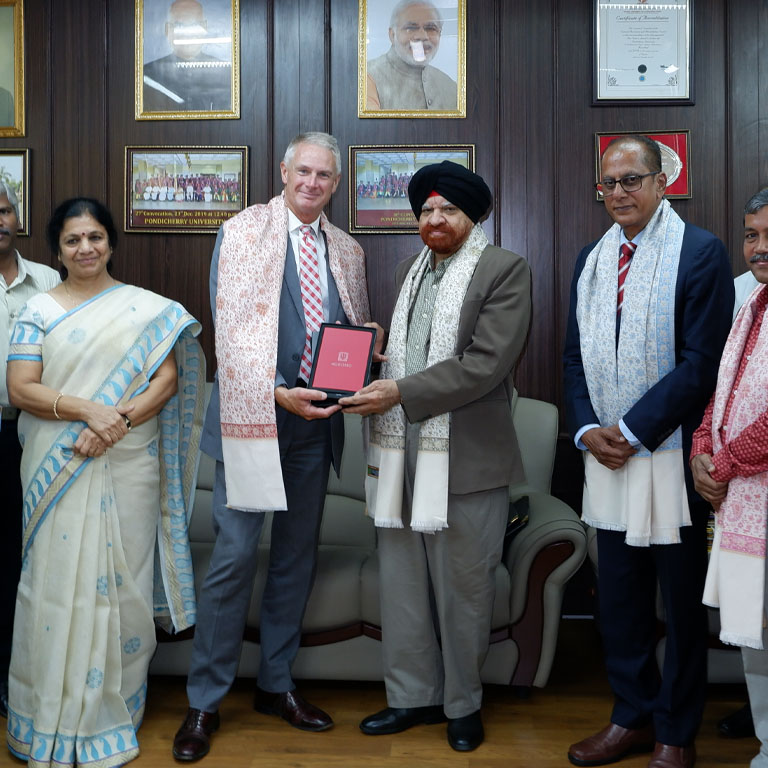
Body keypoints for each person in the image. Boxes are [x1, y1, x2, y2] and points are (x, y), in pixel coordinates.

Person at [172, 132, 371, 763]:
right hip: (253, 418)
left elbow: (348, 332)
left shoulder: (347, 249)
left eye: (324, 176)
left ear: (336, 184)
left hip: (316, 425)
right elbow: (227, 334)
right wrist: (276, 391)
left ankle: (276, 685)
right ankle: (204, 699)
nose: (312, 183)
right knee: (233, 557)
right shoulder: (242, 232)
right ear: (283, 171)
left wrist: (362, 352)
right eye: (303, 171)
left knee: (294, 557)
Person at [5, 198, 204, 768]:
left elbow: (166, 381)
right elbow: (22, 388)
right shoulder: (39, 310)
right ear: (58, 249)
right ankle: (47, 717)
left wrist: (113, 425)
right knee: (50, 586)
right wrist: (88, 412)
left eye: (94, 237)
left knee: (125, 586)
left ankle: (110, 711)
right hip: (55, 462)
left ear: (111, 242)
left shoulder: (146, 310)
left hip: (128, 464)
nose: (85, 248)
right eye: (72, 240)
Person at [340, 161, 532, 752]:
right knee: (401, 586)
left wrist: (400, 389)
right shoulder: (407, 271)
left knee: (465, 590)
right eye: (425, 210)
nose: (434, 219)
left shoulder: (505, 270)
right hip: (399, 454)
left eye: (447, 209)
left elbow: (485, 364)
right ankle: (411, 698)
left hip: (466, 462)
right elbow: (410, 353)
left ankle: (463, 704)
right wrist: (374, 358)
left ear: (473, 216)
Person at [563, 135, 733, 768]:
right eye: (608, 184)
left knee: (680, 605)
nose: (618, 194)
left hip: (669, 457)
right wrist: (587, 431)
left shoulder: (701, 251)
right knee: (620, 602)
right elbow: (573, 357)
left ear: (663, 182)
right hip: (602, 455)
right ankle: (630, 716)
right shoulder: (591, 259)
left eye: (631, 180)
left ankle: (675, 731)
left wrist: (632, 430)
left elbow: (702, 363)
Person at [691, 188, 768, 768]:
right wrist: (699, 450)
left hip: (748, 485)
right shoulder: (751, 304)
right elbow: (722, 394)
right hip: (740, 499)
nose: (759, 247)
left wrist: (722, 463)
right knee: (754, 635)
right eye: (751, 235)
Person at [0, 183, 59, 720]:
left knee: (21, 555)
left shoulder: (47, 282)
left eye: (2, 209)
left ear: (17, 215)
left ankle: (12, 673)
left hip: (29, 432)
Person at [366, 0, 457, 111]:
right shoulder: (367, 77)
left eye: (430, 28)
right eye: (411, 28)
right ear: (392, 35)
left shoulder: (451, 87)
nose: (422, 36)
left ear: (440, 34)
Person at [143, 0, 231, 113]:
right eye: (179, 25)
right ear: (167, 30)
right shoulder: (146, 76)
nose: (187, 32)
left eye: (194, 25)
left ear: (205, 27)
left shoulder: (228, 74)